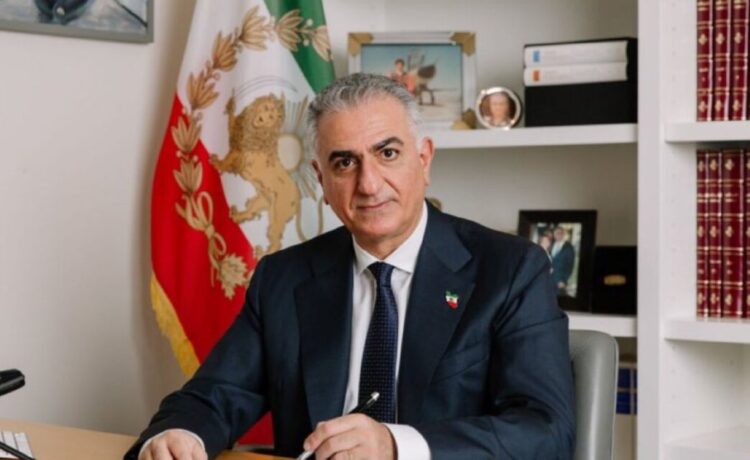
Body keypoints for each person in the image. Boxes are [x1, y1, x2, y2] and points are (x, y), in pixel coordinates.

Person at [127, 73, 574, 460]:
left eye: (388, 153)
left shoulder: (510, 270)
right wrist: (179, 435)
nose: (369, 184)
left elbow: (546, 431)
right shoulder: (283, 279)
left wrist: (395, 446)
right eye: (345, 162)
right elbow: (215, 395)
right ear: (321, 180)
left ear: (424, 159)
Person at [550, 225, 575, 296]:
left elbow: (570, 265)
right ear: (554, 234)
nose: (558, 235)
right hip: (550, 279)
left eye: (560, 233)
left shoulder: (568, 247)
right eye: (556, 233)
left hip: (560, 281)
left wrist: (564, 280)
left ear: (563, 234)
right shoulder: (552, 244)